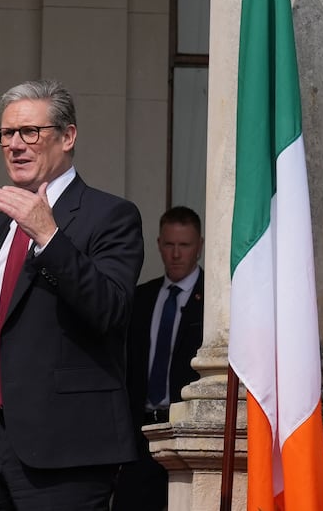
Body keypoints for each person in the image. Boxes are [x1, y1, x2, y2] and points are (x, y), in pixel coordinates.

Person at [0, 79, 145, 510]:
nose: (15, 145)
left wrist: (49, 236)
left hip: (69, 451)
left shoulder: (111, 216)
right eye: (7, 135)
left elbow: (110, 310)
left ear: (68, 136)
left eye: (30, 132)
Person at [111, 205, 205, 511]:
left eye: (185, 245)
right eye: (169, 244)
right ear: (159, 245)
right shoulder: (140, 298)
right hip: (141, 436)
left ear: (200, 247)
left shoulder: (215, 301)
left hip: (189, 434)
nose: (176, 254)